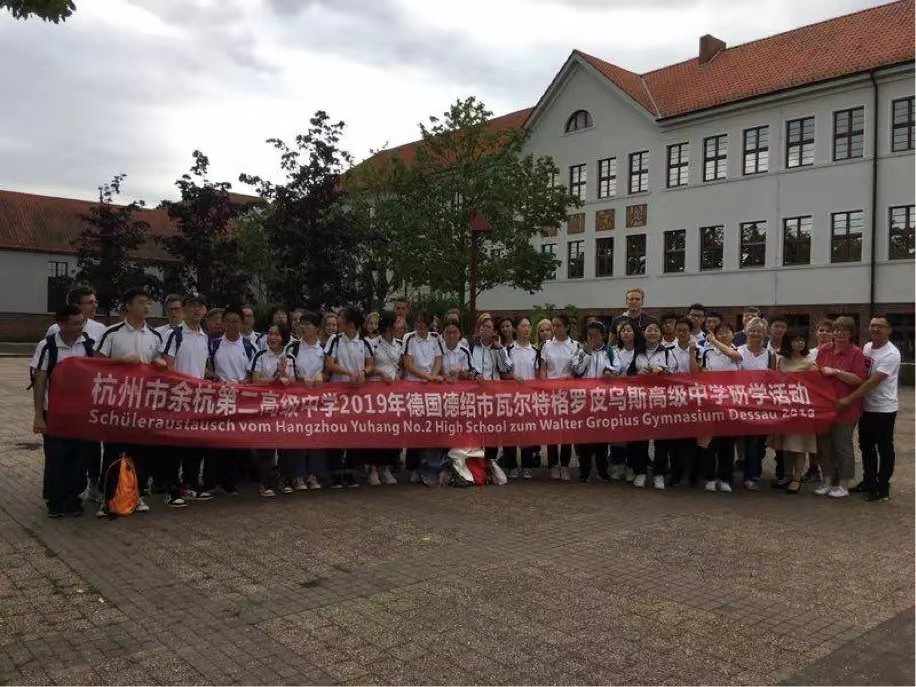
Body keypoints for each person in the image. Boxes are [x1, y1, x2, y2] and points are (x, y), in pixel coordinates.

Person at [94, 287, 163, 515]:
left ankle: (138, 495)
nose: (146, 307)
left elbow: (157, 365)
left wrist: (159, 364)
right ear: (128, 305)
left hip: (143, 404)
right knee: (114, 451)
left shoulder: (154, 336)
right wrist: (121, 361)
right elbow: (96, 365)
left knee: (141, 452)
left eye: (148, 303)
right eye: (141, 302)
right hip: (117, 403)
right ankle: (108, 498)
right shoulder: (112, 333)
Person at [41, 285, 107, 503]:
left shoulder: (100, 329)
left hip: (87, 403)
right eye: (89, 302)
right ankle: (59, 495)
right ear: (76, 306)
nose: (94, 305)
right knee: (61, 451)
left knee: (90, 445)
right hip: (60, 406)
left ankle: (92, 483)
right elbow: (44, 371)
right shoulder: (53, 333)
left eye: (95, 301)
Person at [32, 305, 95, 517]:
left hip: (80, 415)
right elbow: (40, 381)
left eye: (81, 323)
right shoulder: (48, 346)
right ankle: (55, 500)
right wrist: (39, 415)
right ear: (61, 324)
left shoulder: (87, 345)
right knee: (56, 458)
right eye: (75, 323)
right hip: (55, 414)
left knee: (79, 459)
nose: (80, 327)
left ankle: (73, 498)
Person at [158, 293, 213, 507]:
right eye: (192, 306)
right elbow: (168, 365)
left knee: (195, 444)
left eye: (200, 306)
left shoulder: (204, 336)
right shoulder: (174, 334)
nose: (196, 310)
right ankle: (172, 489)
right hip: (177, 398)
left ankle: (190, 484)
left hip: (198, 399)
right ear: (184, 309)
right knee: (175, 447)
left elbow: (203, 366)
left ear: (205, 310)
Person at [842, 316, 901, 502]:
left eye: (880, 326)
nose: (875, 329)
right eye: (873, 325)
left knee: (884, 448)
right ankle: (868, 481)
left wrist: (849, 399)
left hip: (884, 408)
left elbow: (871, 382)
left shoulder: (891, 354)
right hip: (866, 407)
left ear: (889, 330)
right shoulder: (867, 347)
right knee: (866, 446)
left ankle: (883, 486)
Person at [206, 306, 258, 496]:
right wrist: (216, 379)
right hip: (219, 398)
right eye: (228, 321)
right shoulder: (213, 344)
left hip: (242, 400)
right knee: (215, 442)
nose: (231, 325)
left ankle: (232, 481)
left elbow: (255, 373)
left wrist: (246, 382)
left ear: (242, 323)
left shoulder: (250, 346)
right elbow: (207, 369)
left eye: (236, 321)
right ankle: (211, 481)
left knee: (236, 443)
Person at [814, 316, 866, 499]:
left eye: (844, 330)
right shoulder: (824, 350)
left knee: (843, 447)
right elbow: (816, 373)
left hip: (845, 408)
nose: (839, 333)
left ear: (851, 333)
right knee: (825, 446)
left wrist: (835, 372)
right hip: (824, 407)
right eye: (836, 330)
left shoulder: (856, 353)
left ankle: (844, 485)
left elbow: (859, 380)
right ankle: (827, 481)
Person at [324, 307, 374, 488]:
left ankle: (351, 473)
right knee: (336, 433)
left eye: (341, 318)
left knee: (355, 433)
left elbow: (370, 364)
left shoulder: (364, 343)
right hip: (338, 394)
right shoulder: (335, 340)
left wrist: (362, 372)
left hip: (357, 395)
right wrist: (348, 372)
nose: (338, 321)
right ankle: (335, 474)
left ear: (351, 323)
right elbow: (329, 364)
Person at [250, 323, 297, 496]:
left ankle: (284, 478)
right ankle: (265, 482)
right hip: (265, 406)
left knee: (285, 446)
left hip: (285, 407)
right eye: (270, 334)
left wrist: (285, 377)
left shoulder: (290, 358)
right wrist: (274, 378)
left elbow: (294, 381)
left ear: (283, 337)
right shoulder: (260, 356)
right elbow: (255, 381)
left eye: (276, 335)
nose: (272, 338)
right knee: (266, 446)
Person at [629, 322, 677, 488]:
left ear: (660, 333)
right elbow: (628, 374)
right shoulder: (636, 351)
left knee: (661, 440)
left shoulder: (667, 352)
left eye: (656, 330)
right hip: (640, 400)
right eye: (649, 330)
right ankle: (640, 472)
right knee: (640, 439)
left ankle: (659, 474)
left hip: (661, 400)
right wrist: (638, 374)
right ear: (644, 332)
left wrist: (661, 371)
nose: (652, 332)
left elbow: (675, 373)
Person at [769, 332, 817, 494]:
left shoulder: (811, 362)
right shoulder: (780, 360)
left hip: (802, 410)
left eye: (802, 339)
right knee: (786, 445)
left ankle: (797, 479)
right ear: (788, 343)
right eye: (796, 340)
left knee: (799, 446)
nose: (800, 343)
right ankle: (787, 475)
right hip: (784, 408)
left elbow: (816, 386)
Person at [538, 313, 584, 481]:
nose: (554, 329)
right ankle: (553, 464)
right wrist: (545, 385)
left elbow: (576, 369)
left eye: (558, 326)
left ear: (566, 327)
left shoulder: (575, 346)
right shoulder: (546, 345)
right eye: (553, 326)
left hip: (567, 393)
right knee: (552, 429)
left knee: (565, 431)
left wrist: (567, 384)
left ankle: (564, 465)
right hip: (550, 393)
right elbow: (543, 367)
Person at [699, 322, 743, 493]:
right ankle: (709, 477)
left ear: (733, 334)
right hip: (711, 401)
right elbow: (702, 373)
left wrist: (714, 340)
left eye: (727, 332)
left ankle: (725, 478)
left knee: (727, 443)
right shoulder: (707, 352)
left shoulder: (737, 350)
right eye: (720, 332)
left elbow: (733, 356)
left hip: (731, 403)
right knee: (709, 443)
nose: (724, 334)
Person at [574, 321, 618, 483]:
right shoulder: (580, 351)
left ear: (604, 336)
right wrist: (587, 352)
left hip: (603, 400)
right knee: (584, 438)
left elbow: (617, 367)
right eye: (590, 336)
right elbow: (577, 369)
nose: (593, 339)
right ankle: (584, 471)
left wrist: (609, 371)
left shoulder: (609, 351)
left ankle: (602, 470)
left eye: (597, 336)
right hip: (584, 399)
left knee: (602, 439)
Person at [735, 317, 775, 490]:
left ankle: (754, 471)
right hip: (742, 403)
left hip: (761, 404)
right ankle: (749, 477)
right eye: (752, 330)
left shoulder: (770, 354)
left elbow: (773, 379)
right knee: (748, 441)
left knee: (759, 443)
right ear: (746, 332)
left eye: (759, 331)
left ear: (764, 334)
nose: (756, 333)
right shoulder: (738, 351)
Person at [287, 311, 326, 489]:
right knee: (298, 438)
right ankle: (297, 475)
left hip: (318, 401)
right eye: (301, 324)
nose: (303, 327)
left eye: (308, 324)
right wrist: (300, 378)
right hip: (297, 400)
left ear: (317, 328)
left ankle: (313, 474)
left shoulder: (324, 348)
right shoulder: (293, 347)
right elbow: (288, 370)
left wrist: (321, 375)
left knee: (316, 437)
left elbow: (329, 369)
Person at [501, 316, 540, 480]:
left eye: (529, 326)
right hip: (510, 399)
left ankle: (527, 466)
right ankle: (511, 465)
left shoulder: (535, 351)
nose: (527, 329)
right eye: (523, 326)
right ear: (516, 329)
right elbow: (503, 373)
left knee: (527, 433)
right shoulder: (507, 349)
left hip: (529, 400)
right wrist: (512, 377)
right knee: (510, 433)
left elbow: (538, 376)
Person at [365, 311, 401, 486]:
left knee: (391, 430)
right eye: (396, 322)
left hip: (392, 393)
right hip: (375, 391)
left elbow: (399, 366)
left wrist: (397, 375)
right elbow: (367, 367)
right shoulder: (372, 344)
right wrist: (380, 372)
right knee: (375, 431)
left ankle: (386, 467)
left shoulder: (398, 344)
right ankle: (372, 468)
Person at [609, 322, 639, 481]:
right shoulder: (614, 352)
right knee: (617, 433)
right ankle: (617, 464)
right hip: (617, 398)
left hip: (635, 399)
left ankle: (632, 466)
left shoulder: (640, 352)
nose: (626, 333)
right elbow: (610, 372)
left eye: (629, 330)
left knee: (633, 434)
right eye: (623, 331)